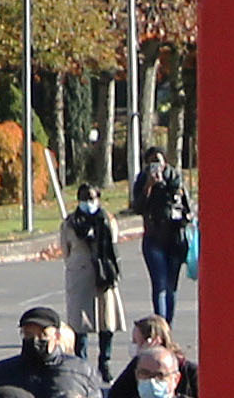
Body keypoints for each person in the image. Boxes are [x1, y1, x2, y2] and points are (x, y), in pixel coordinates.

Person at [63, 186, 126, 378]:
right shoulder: (70, 223)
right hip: (80, 274)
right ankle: (81, 363)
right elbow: (65, 251)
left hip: (104, 275)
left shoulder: (107, 220)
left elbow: (113, 244)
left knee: (106, 320)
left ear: (98, 199)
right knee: (80, 322)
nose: (88, 202)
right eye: (84, 198)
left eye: (91, 198)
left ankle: (104, 361)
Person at [128, 148, 196, 317]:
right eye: (152, 163)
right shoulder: (143, 180)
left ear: (165, 162)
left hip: (175, 238)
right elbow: (138, 207)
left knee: (171, 286)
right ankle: (160, 322)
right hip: (153, 238)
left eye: (159, 161)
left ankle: (167, 328)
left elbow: (188, 208)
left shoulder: (175, 178)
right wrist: (148, 187)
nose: (157, 166)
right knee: (159, 285)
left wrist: (184, 215)